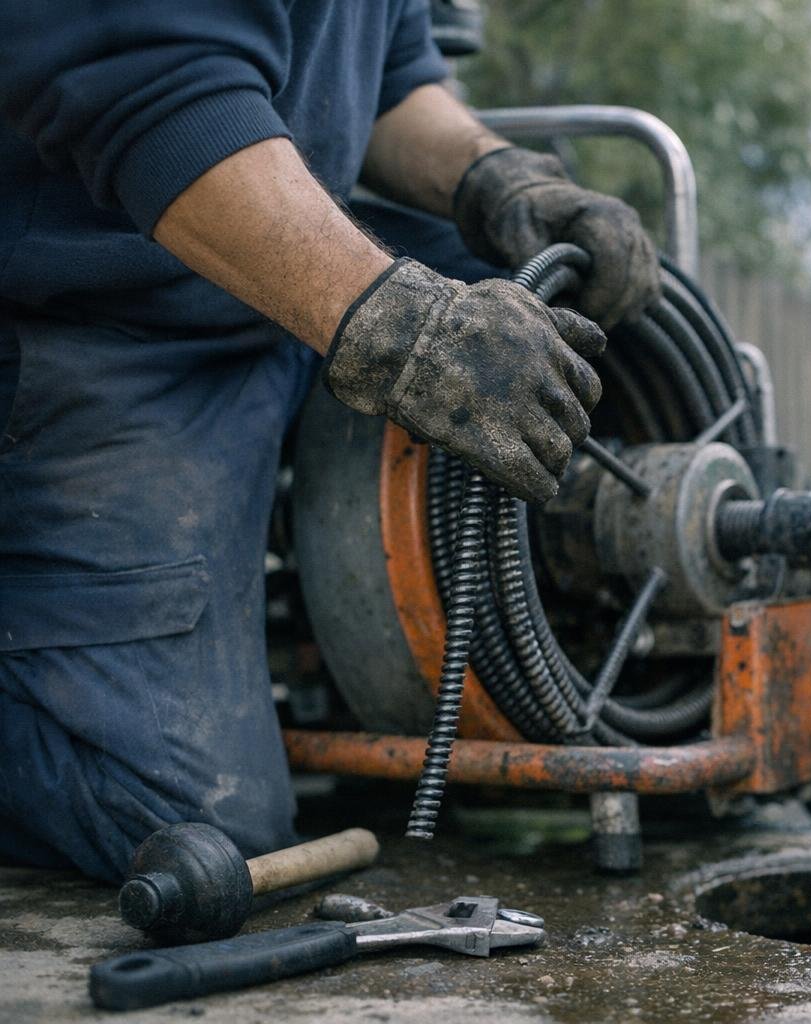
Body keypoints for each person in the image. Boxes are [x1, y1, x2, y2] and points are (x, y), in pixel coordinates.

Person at [0, 1, 659, 881]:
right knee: (195, 831)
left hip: (268, 284)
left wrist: (493, 178)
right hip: (99, 327)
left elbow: (386, 72)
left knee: (590, 312)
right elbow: (150, 87)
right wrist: (401, 328)